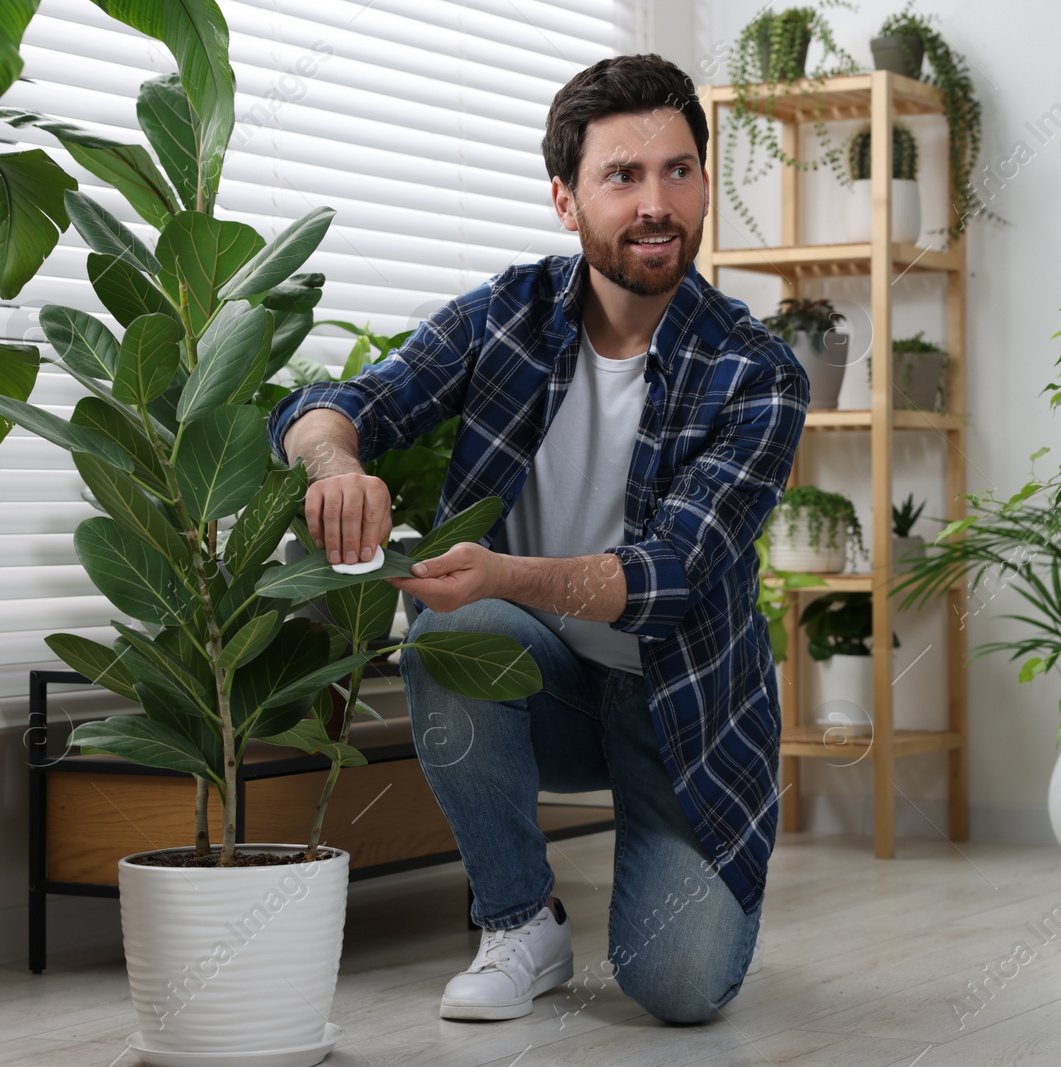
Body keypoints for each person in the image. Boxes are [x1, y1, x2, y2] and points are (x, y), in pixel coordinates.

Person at [268, 53, 808, 1026]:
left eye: (678, 171)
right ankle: (521, 919)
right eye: (623, 175)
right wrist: (336, 468)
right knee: (447, 634)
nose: (657, 203)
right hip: (538, 678)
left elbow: (674, 571)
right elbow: (334, 406)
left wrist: (504, 572)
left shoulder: (756, 371)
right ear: (565, 200)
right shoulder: (507, 316)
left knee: (680, 986)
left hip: (679, 709)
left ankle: (687, 888)